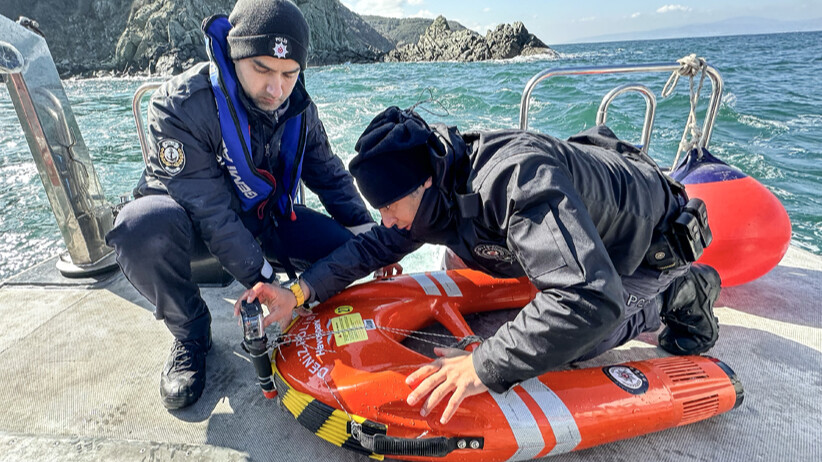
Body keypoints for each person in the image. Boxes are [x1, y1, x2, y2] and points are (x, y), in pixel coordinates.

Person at [235, 106, 721, 424]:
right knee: (461, 259)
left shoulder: (514, 183)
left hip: (647, 245)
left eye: (388, 208)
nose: (385, 220)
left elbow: (590, 298)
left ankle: (680, 295)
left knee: (581, 337)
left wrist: (482, 366)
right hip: (584, 221)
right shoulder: (435, 184)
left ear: (423, 186)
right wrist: (297, 292)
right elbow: (371, 249)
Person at [106, 0, 387, 410]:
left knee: (349, 251)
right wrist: (269, 282)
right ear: (235, 55)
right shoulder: (181, 106)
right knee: (138, 228)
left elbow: (330, 177)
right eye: (262, 69)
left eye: (289, 74)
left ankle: (315, 322)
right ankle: (191, 333)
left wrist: (374, 242)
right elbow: (213, 215)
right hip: (193, 227)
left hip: (261, 219)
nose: (276, 89)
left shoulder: (298, 108)